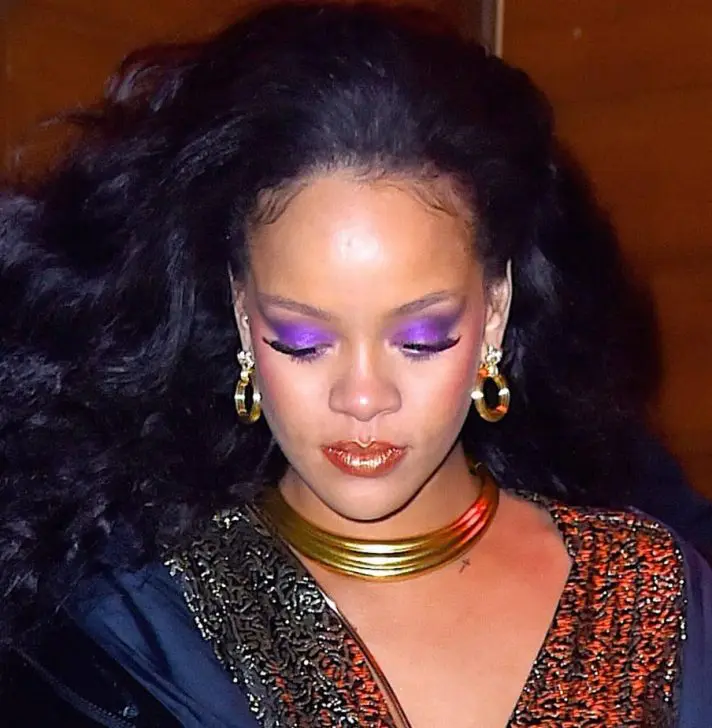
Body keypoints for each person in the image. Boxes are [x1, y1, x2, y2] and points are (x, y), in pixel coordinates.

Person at [1, 3, 711, 726]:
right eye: (302, 340)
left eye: (421, 338)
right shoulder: (137, 632)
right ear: (242, 313)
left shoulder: (650, 599)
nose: (363, 397)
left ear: (495, 310)